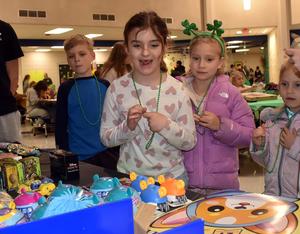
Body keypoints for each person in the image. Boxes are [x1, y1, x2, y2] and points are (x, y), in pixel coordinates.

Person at [100, 11, 196, 182]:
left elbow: (190, 141)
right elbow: (106, 138)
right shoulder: (116, 89)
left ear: (164, 47)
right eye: (137, 45)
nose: (145, 53)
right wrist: (127, 127)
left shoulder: (178, 90)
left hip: (172, 181)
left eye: (153, 45)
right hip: (130, 179)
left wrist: (166, 126)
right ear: (127, 48)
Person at [180, 19, 255, 195]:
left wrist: (220, 125)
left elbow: (248, 135)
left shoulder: (231, 93)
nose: (201, 64)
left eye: (209, 59)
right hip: (182, 183)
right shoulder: (177, 90)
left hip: (222, 186)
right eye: (196, 58)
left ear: (220, 62)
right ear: (189, 59)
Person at [55, 34, 118, 169]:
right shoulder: (66, 88)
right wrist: (63, 152)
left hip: (106, 153)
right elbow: (60, 124)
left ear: (93, 56)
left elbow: (113, 119)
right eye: (71, 56)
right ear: (67, 60)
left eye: (82, 54)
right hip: (78, 156)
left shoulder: (105, 85)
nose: (77, 59)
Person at [251, 61, 300, 199]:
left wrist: (294, 146)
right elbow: (266, 163)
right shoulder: (273, 122)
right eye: (284, 84)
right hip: (273, 198)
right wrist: (259, 145)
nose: (290, 91)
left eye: (298, 85)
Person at [0, 20, 24, 143]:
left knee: (11, 159)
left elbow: (13, 74)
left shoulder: (4, 29)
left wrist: (8, 95)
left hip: (4, 111)